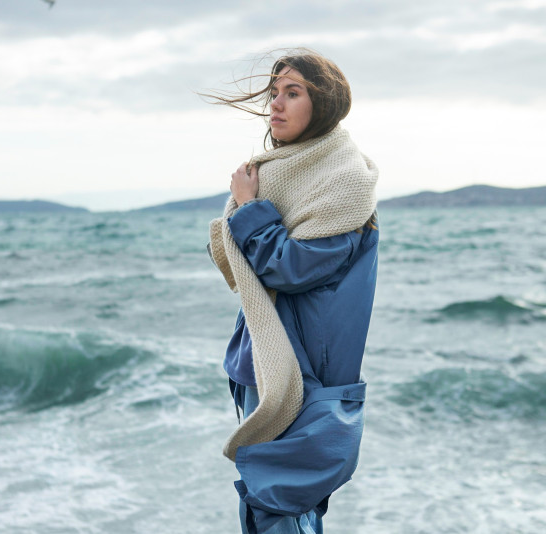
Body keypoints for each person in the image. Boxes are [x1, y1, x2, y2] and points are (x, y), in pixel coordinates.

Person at [206, 49, 379, 534]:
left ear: (322, 103)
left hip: (306, 370)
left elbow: (290, 268)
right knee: (267, 494)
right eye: (274, 93)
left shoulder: (343, 183)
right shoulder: (285, 171)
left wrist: (246, 209)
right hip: (260, 358)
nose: (276, 105)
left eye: (293, 93)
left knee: (281, 497)